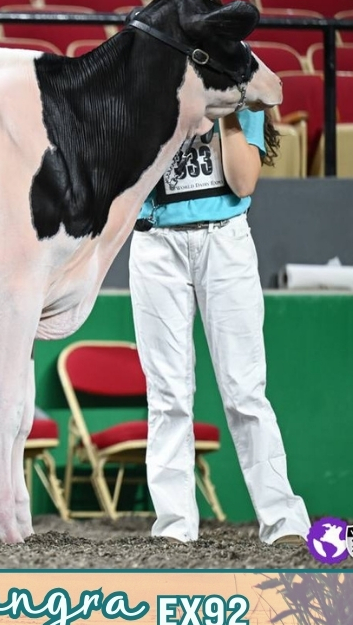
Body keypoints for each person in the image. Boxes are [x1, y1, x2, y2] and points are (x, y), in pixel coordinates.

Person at [129, 108, 311, 546]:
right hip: (155, 241)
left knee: (245, 390)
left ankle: (283, 521)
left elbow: (243, 182)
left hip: (224, 238)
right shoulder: (148, 77)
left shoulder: (239, 83)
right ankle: (174, 526)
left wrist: (225, 111)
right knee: (167, 393)